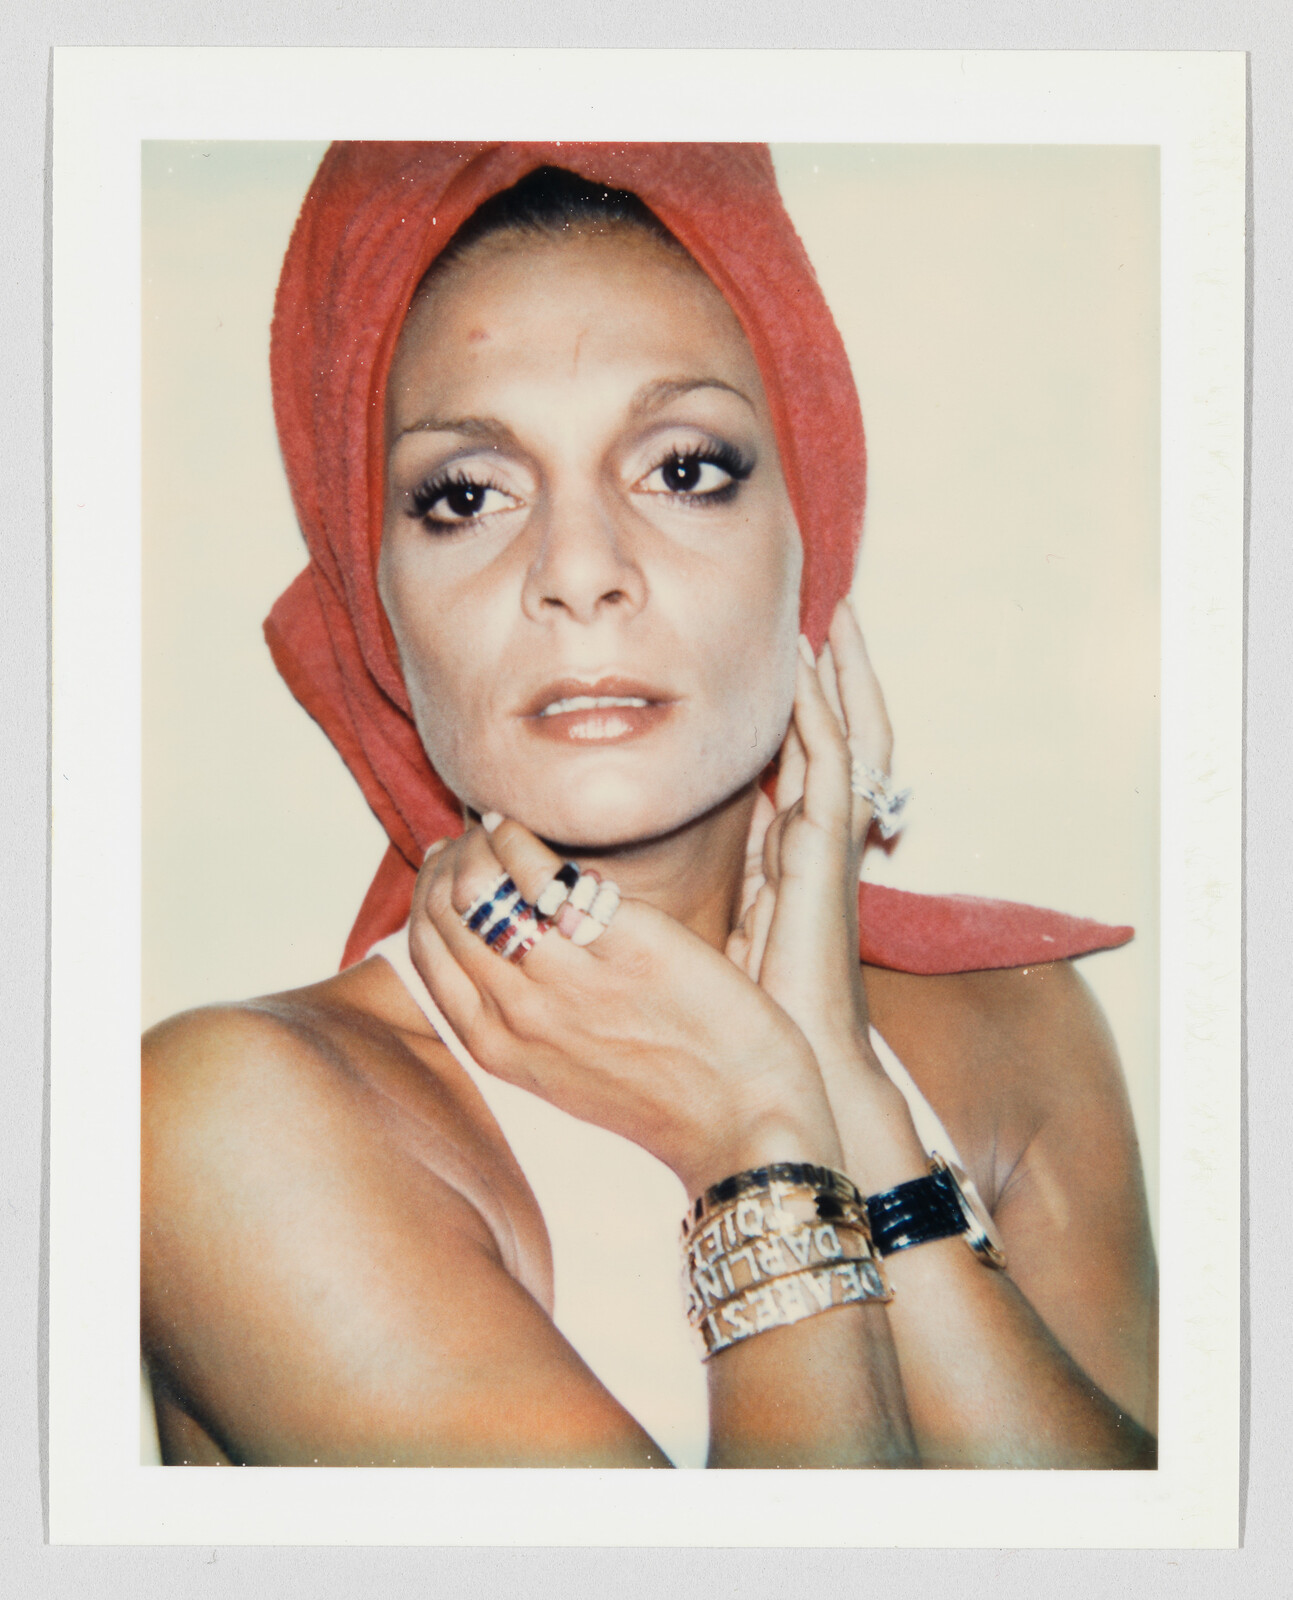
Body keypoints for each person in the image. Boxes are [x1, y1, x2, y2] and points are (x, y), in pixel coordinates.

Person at [141, 142, 1157, 1470]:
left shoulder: (1019, 1030)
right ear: (370, 598)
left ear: (812, 532)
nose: (579, 570)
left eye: (682, 469)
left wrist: (840, 1084)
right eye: (466, 495)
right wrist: (755, 1124)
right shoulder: (231, 1123)